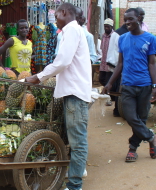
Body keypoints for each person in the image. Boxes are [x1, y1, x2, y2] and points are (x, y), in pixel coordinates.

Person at [25, 3, 91, 190]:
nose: (55, 19)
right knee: (74, 139)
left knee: (78, 141)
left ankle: (74, 185)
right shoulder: (73, 30)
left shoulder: (71, 30)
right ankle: (75, 176)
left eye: (56, 15)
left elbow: (62, 61)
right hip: (74, 92)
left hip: (75, 94)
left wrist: (37, 77)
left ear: (63, 12)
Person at [102, 8, 156, 162]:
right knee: (129, 116)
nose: (127, 22)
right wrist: (110, 83)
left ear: (139, 18)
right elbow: (120, 64)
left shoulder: (150, 39)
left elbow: (152, 64)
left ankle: (132, 149)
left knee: (141, 118)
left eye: (130, 19)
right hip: (127, 84)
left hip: (145, 85)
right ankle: (152, 137)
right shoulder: (123, 39)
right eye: (125, 20)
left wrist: (155, 85)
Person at [105, 23, 129, 117]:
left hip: (115, 63)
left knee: (118, 88)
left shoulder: (116, 33)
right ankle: (118, 110)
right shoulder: (122, 34)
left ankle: (118, 109)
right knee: (120, 88)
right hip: (118, 64)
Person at [99, 18, 114, 106]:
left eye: (108, 27)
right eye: (105, 27)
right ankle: (108, 93)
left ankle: (109, 98)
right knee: (101, 79)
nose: (106, 28)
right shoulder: (103, 35)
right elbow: (102, 48)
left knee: (108, 81)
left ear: (111, 27)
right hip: (103, 62)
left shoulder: (114, 36)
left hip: (110, 63)